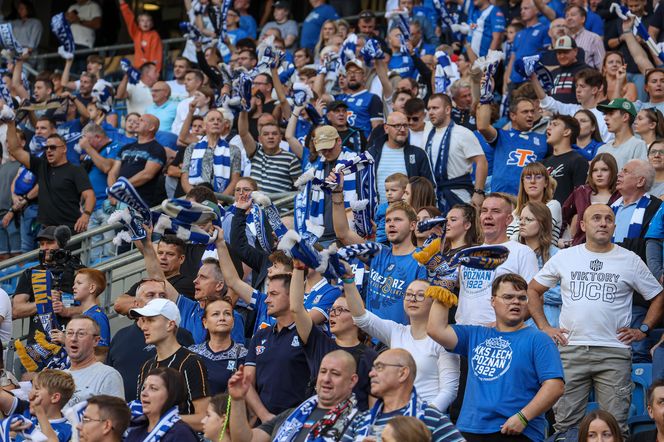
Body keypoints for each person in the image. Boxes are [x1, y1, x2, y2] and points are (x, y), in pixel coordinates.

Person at [528, 203, 664, 437]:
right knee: (566, 427)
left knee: (616, 426)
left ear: (614, 225)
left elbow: (658, 295)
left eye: (609, 219)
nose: (603, 223)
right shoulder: (566, 257)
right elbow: (533, 290)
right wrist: (544, 327)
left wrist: (643, 328)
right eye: (597, 218)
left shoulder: (629, 259)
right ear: (582, 225)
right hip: (571, 350)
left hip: (614, 352)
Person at [428, 273, 565, 441]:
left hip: (515, 430)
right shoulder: (476, 334)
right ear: (493, 301)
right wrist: (445, 283)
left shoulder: (539, 339)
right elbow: (435, 330)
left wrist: (523, 417)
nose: (516, 302)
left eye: (522, 298)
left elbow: (555, 386)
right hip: (469, 428)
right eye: (508, 297)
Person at [343, 271, 460, 412]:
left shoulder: (444, 339)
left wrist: (426, 416)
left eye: (421, 295)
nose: (413, 299)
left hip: (427, 419)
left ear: (434, 301)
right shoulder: (396, 331)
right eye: (409, 294)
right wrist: (348, 280)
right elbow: (361, 317)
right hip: (395, 416)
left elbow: (449, 390)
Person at [289, 265, 377, 411]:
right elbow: (296, 309)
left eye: (341, 310)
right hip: (314, 418)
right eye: (332, 309)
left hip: (348, 426)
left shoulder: (370, 357)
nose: (333, 314)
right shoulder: (319, 341)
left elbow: (373, 405)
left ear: (357, 318)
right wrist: (298, 268)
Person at [332, 191, 428, 325]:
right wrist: (337, 194)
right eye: (388, 220)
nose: (391, 224)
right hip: (370, 337)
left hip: (399, 339)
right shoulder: (378, 252)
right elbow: (343, 233)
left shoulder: (421, 260)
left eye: (398, 220)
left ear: (413, 225)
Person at [228, 350, 361, 441]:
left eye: (335, 374)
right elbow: (246, 439)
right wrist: (237, 399)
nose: (326, 379)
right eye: (323, 371)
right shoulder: (291, 415)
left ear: (352, 380)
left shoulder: (359, 422)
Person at [341, 348, 465, 441]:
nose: (371, 374)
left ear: (402, 373)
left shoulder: (431, 418)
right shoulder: (360, 420)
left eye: (379, 367)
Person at [107, 279, 195, 402]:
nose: (158, 299)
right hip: (127, 416)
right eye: (150, 295)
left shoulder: (183, 337)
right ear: (136, 303)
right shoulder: (120, 337)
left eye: (162, 295)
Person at [458, 193, 539, 325]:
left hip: (498, 333)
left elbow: (535, 299)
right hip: (464, 332)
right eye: (484, 211)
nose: (488, 216)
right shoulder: (467, 253)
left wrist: (503, 325)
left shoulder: (522, 252)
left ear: (508, 219)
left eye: (495, 211)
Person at [131, 298, 210, 430]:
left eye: (151, 320)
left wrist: (163, 420)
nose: (144, 327)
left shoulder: (191, 362)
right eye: (144, 321)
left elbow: (203, 418)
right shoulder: (147, 366)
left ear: (170, 324)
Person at [6, 121, 95, 233]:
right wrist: (10, 124)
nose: (48, 150)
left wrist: (86, 215)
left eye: (52, 147)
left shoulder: (75, 170)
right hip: (47, 231)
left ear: (64, 149)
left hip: (70, 229)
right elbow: (15, 150)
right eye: (46, 148)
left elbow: (89, 195)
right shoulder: (41, 166)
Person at [423, 93, 487, 211]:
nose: (430, 112)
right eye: (429, 108)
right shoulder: (426, 133)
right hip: (433, 196)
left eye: (435, 108)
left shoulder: (463, 133)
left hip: (460, 195)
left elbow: (481, 161)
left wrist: (478, 192)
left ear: (448, 109)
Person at [477, 96, 547, 195]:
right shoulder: (501, 135)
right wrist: (485, 99)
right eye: (525, 112)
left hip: (528, 199)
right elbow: (483, 127)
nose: (530, 115)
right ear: (513, 116)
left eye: (532, 111)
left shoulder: (543, 139)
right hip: (500, 197)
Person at [78, 123, 121, 261]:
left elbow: (106, 167)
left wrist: (88, 148)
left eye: (87, 139)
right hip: (90, 207)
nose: (84, 143)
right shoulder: (91, 153)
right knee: (93, 253)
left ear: (97, 137)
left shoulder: (115, 146)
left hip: (106, 205)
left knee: (109, 249)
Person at [369, 112, 434, 204]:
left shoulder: (418, 154)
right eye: (397, 126)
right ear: (386, 128)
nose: (402, 129)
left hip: (410, 215)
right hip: (377, 215)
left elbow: (429, 187)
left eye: (405, 125)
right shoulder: (372, 153)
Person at [188, 297, 247, 396]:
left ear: (233, 322)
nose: (222, 318)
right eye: (216, 314)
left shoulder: (244, 356)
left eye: (227, 314)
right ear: (205, 322)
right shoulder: (191, 353)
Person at [519, 202, 563, 328]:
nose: (522, 223)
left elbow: (567, 291)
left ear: (542, 223)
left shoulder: (558, 255)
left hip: (549, 323)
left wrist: (535, 293)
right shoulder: (514, 253)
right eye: (521, 219)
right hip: (518, 324)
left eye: (528, 219)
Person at [0, 368, 75, 442]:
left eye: (36, 388)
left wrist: (40, 412)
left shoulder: (67, 429)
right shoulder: (28, 413)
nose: (31, 393)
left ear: (55, 397)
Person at [562, 153, 621, 246]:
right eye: (595, 170)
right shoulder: (581, 192)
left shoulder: (620, 195)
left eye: (604, 170)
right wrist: (559, 239)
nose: (599, 174)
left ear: (613, 172)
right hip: (582, 247)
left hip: (612, 247)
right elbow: (564, 215)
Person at [108, 114, 166, 207]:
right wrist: (113, 193)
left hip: (138, 202)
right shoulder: (125, 148)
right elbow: (112, 172)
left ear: (151, 127)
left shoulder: (156, 148)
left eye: (141, 120)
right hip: (117, 199)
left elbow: (147, 174)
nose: (137, 122)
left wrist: (121, 189)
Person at [125, 367, 199, 441]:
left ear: (171, 395)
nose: (144, 393)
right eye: (143, 388)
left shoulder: (181, 433)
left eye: (153, 388)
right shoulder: (136, 430)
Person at [180, 109, 241, 196]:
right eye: (212, 120)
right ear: (204, 126)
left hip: (221, 200)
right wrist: (195, 197)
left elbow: (235, 179)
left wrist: (219, 201)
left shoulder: (234, 150)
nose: (216, 122)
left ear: (223, 126)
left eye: (219, 120)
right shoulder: (192, 148)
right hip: (194, 198)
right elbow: (184, 177)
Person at [506, 162, 563, 243]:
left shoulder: (553, 205)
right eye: (528, 177)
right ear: (523, 182)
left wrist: (512, 240)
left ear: (546, 182)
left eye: (538, 177)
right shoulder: (516, 212)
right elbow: (507, 240)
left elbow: (537, 233)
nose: (532, 181)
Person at [542, 115, 589, 205]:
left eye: (555, 125)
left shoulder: (578, 161)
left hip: (565, 217)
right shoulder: (543, 163)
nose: (548, 128)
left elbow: (580, 196)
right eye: (549, 124)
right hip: (543, 215)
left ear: (566, 132)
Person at [596, 98, 648, 170]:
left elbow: (641, 176)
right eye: (605, 114)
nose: (605, 118)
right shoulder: (601, 149)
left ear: (625, 117)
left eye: (611, 113)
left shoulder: (638, 145)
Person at [119, 0, 163, 71]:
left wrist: (153, 72)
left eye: (148, 21)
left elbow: (156, 56)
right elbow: (129, 19)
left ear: (152, 24)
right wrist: (123, 4)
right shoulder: (136, 33)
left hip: (150, 72)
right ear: (138, 24)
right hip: (138, 70)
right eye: (142, 21)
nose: (145, 23)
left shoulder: (154, 35)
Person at [549, 36, 591, 104]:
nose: (562, 56)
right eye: (559, 53)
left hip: (578, 113)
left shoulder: (587, 71)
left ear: (575, 51)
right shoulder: (553, 73)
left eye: (565, 52)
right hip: (552, 113)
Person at [376, 173, 409, 244]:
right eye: (387, 190)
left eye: (393, 190)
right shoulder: (381, 207)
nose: (389, 193)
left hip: (398, 241)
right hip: (380, 241)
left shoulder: (406, 208)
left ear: (404, 191)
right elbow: (376, 222)